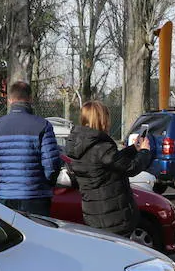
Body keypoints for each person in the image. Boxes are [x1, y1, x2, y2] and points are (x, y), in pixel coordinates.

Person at [64, 101, 152, 238]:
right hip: (113, 216)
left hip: (92, 213)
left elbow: (113, 161)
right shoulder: (102, 147)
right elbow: (130, 168)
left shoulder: (81, 145)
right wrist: (145, 152)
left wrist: (133, 149)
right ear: (101, 120)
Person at [0, 80, 61, 215]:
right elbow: (51, 165)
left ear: (10, 99)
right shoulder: (43, 126)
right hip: (36, 196)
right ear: (30, 98)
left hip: (6, 196)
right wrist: (46, 183)